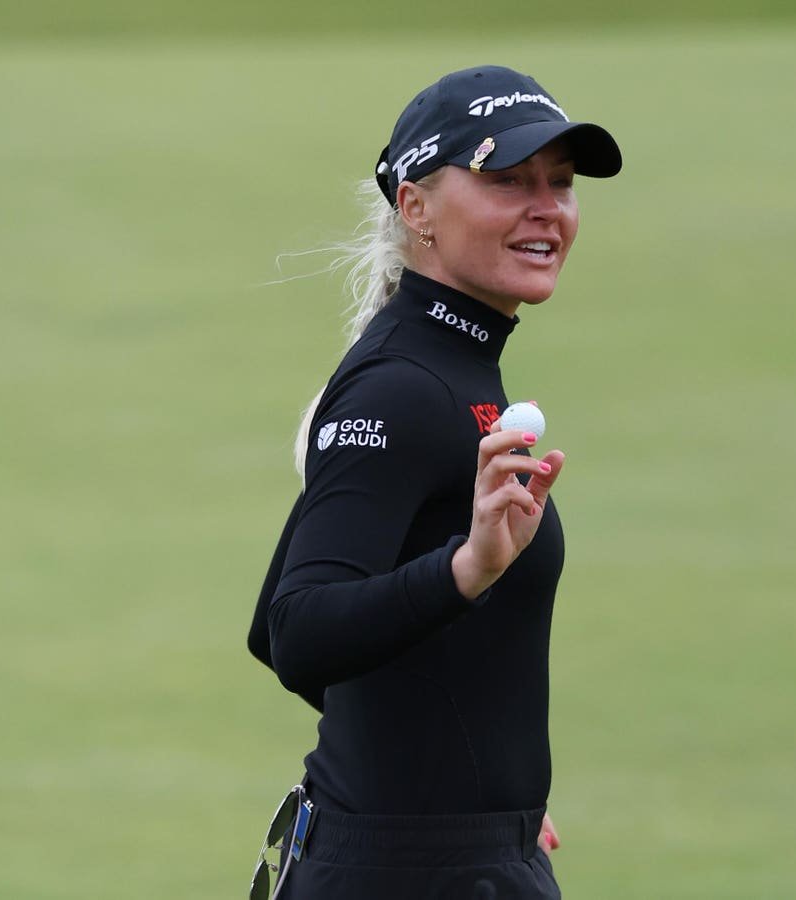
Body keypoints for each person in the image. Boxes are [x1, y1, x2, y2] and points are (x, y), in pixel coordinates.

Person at [247, 65, 621, 899]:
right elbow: (297, 629)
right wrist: (465, 569)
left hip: (443, 857)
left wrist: (472, 776)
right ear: (415, 207)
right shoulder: (402, 387)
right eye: (507, 180)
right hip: (411, 873)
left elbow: (278, 635)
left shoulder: (435, 365)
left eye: (559, 182)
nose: (546, 207)